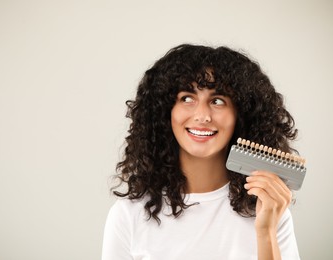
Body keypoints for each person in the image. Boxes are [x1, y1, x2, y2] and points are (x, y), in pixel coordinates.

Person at [102, 44, 301, 260]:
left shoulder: (268, 211)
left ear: (241, 116)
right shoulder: (129, 215)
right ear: (165, 112)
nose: (202, 115)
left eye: (217, 101)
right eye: (187, 98)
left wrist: (266, 234)